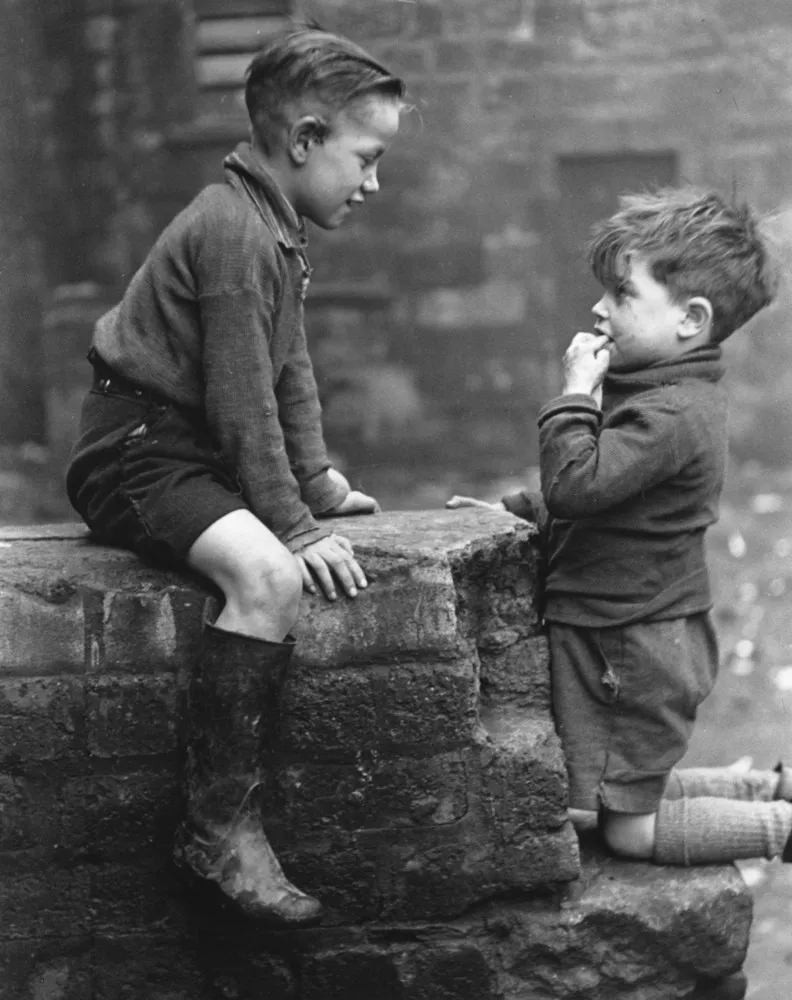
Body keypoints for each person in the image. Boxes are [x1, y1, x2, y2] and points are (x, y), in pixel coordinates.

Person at [66, 26, 405, 924]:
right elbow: (243, 401)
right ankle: (217, 829)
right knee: (266, 577)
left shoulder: (271, 226)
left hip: (186, 446)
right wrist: (293, 528)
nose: (373, 183)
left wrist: (318, 483)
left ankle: (224, 826)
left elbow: (287, 371)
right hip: (134, 453)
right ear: (302, 141)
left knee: (280, 544)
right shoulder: (232, 233)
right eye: (366, 158)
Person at [448, 186, 792, 867]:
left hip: (633, 649)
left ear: (691, 319)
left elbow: (580, 485)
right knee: (614, 793)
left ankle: (780, 826)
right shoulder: (660, 395)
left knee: (626, 829)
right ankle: (767, 787)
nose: (600, 308)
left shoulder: (672, 414)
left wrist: (576, 394)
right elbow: (614, 504)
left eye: (623, 294)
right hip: (626, 632)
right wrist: (522, 509)